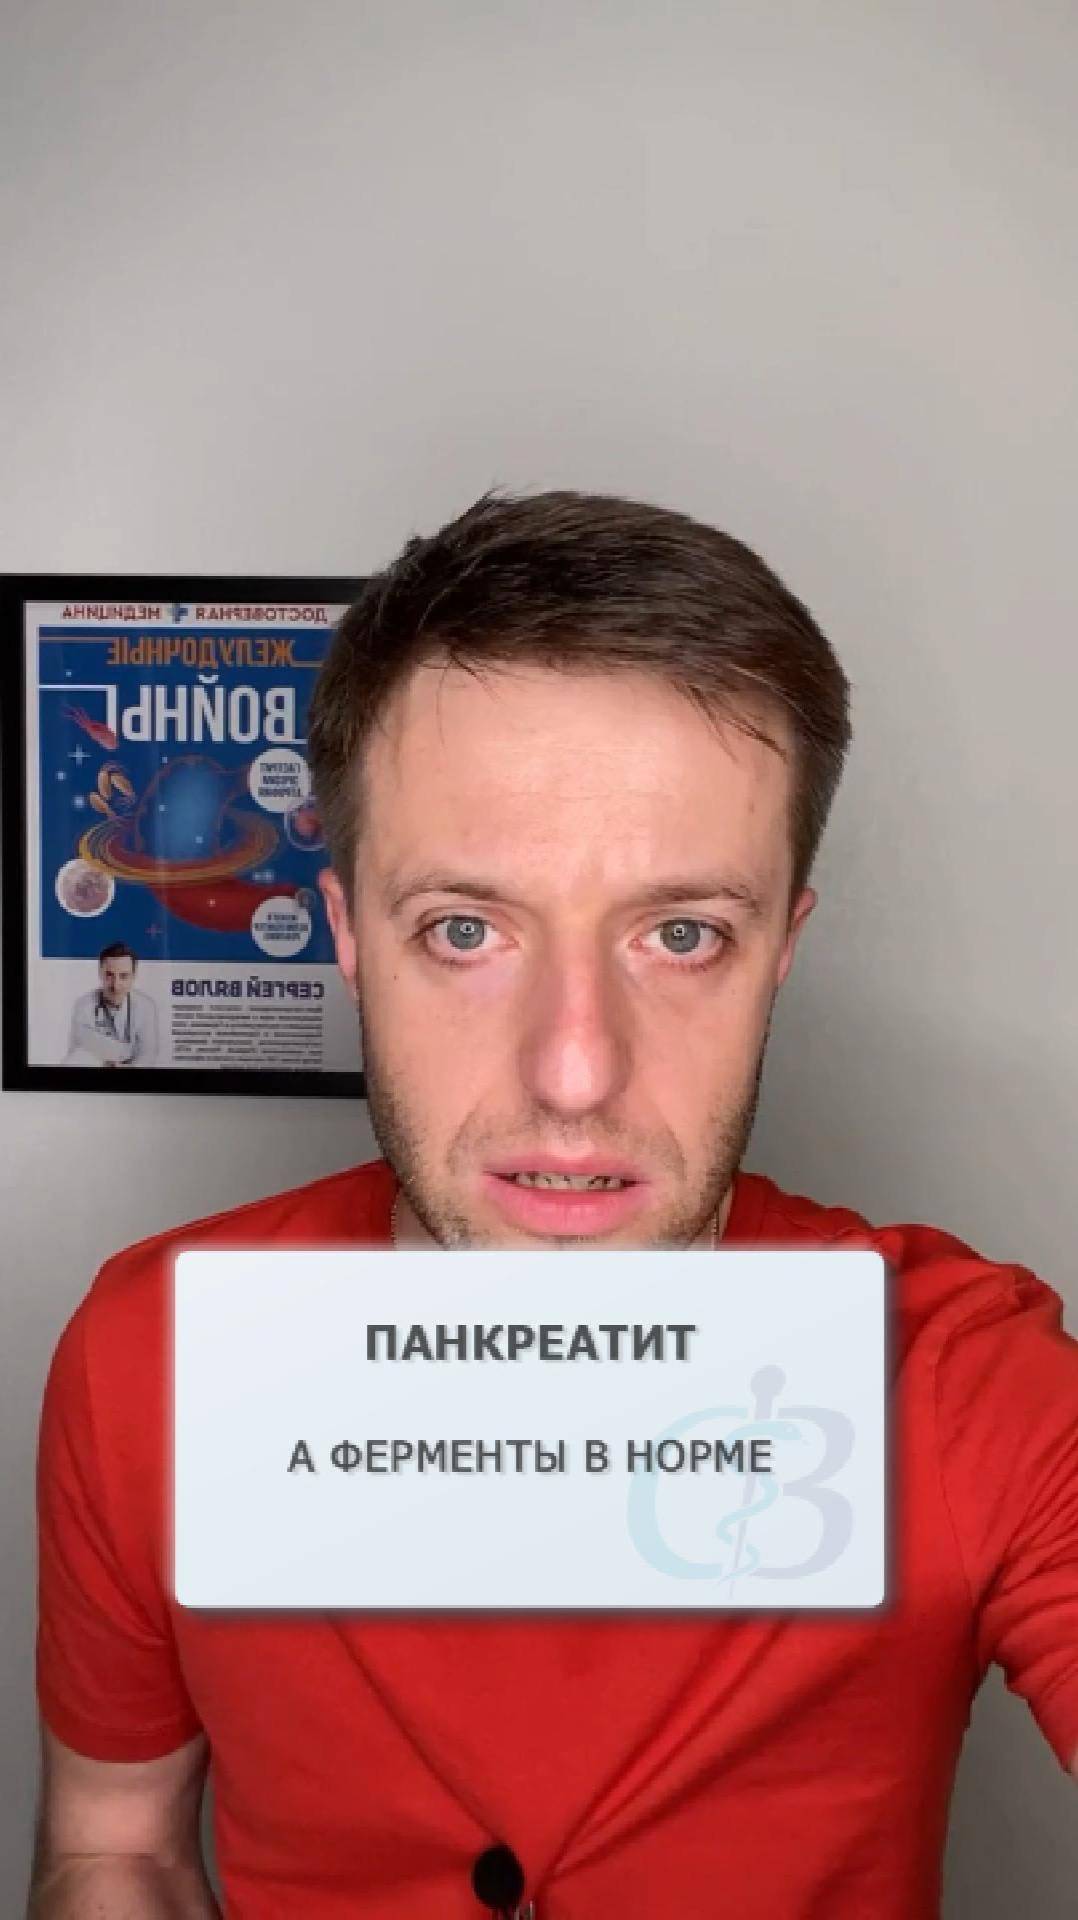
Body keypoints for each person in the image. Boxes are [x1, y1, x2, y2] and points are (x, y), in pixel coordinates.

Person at [28, 490, 1078, 1919]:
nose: (573, 1074)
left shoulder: (962, 1382)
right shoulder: (149, 1354)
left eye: (681, 933)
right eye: (463, 930)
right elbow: (115, 1844)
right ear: (347, 935)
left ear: (780, 947)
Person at [63, 942, 159, 1068]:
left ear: (134, 976)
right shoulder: (84, 1005)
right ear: (100, 973)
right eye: (109, 975)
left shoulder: (146, 1006)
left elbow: (147, 1055)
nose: (116, 985)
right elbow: (79, 1053)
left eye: (124, 976)